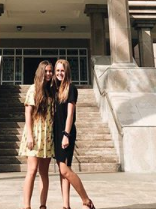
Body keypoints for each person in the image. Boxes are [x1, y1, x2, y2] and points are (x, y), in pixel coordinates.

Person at [53, 59, 95, 209]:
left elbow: (70, 114)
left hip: (66, 132)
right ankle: (66, 205)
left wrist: (66, 134)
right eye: (57, 70)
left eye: (62, 70)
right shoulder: (55, 89)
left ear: (67, 72)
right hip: (56, 132)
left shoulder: (71, 88)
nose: (59, 73)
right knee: (63, 171)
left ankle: (86, 200)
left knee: (65, 169)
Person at [19, 60, 54, 209]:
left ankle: (43, 205)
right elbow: (28, 114)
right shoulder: (33, 89)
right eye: (46, 71)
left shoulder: (51, 91)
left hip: (47, 135)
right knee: (32, 170)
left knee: (44, 173)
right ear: (41, 72)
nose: (49, 74)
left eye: (50, 71)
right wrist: (30, 135)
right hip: (34, 134)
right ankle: (26, 205)